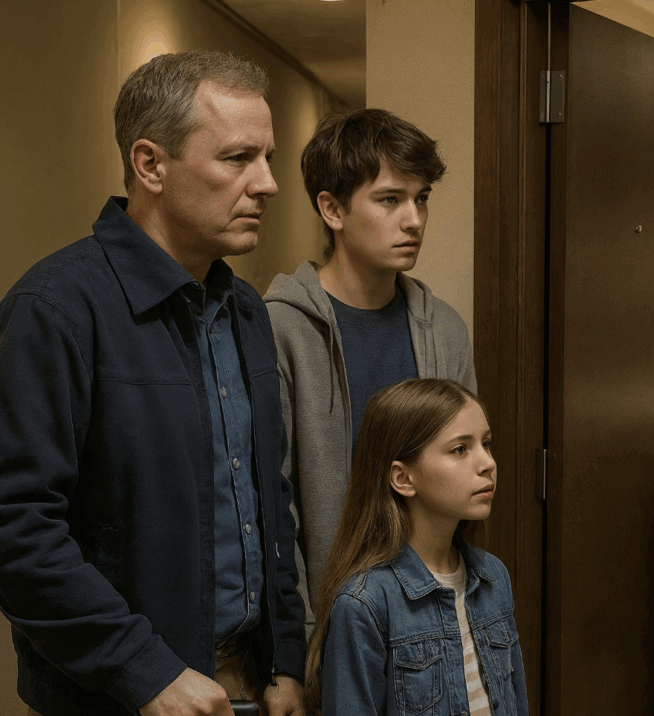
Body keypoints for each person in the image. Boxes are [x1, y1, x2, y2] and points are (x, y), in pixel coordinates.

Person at [0, 50, 305, 715]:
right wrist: (144, 672)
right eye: (238, 158)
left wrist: (285, 658)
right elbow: (17, 529)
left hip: (246, 685)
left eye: (268, 158)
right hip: (123, 695)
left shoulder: (245, 309)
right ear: (150, 165)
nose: (268, 184)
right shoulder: (56, 309)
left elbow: (268, 500)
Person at [263, 109, 476, 632]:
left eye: (421, 198)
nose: (414, 219)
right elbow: (273, 503)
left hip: (434, 618)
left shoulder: (443, 330)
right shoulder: (281, 329)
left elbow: (465, 477)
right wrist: (301, 639)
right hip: (332, 622)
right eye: (390, 200)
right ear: (332, 209)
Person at [303, 379, 527, 715]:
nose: (488, 463)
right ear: (403, 478)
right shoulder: (364, 604)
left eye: (486, 443)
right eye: (460, 449)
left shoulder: (493, 576)